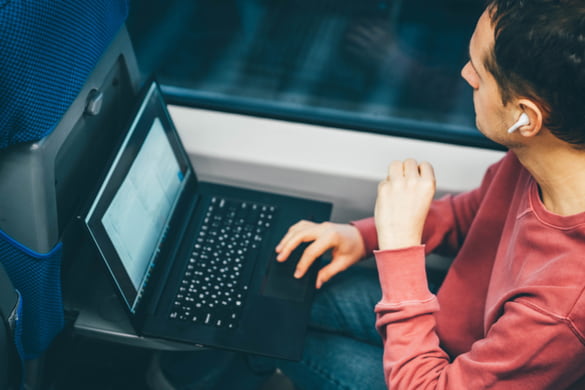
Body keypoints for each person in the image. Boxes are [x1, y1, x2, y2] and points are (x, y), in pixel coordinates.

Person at [153, 0, 585, 388]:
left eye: (480, 69)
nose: (464, 74)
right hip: (455, 321)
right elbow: (472, 215)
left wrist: (399, 248)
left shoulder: (562, 308)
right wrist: (360, 236)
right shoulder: (535, 156)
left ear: (524, 118)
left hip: (445, 374)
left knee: (284, 342)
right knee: (280, 292)